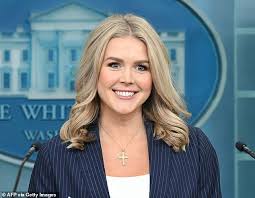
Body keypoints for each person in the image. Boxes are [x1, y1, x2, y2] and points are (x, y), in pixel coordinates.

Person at [28, 14, 222, 198]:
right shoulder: (55, 156)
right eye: (114, 65)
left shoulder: (194, 148)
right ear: (93, 72)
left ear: (155, 77)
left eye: (141, 67)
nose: (127, 79)